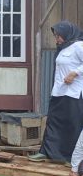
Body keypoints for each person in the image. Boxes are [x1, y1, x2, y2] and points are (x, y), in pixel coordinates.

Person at [29, 20, 83, 164]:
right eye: (56, 36)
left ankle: (70, 158)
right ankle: (46, 152)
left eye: (59, 36)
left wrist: (75, 73)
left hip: (73, 94)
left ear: (67, 33)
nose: (57, 39)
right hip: (59, 92)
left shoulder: (78, 46)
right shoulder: (63, 48)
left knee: (72, 125)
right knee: (53, 122)